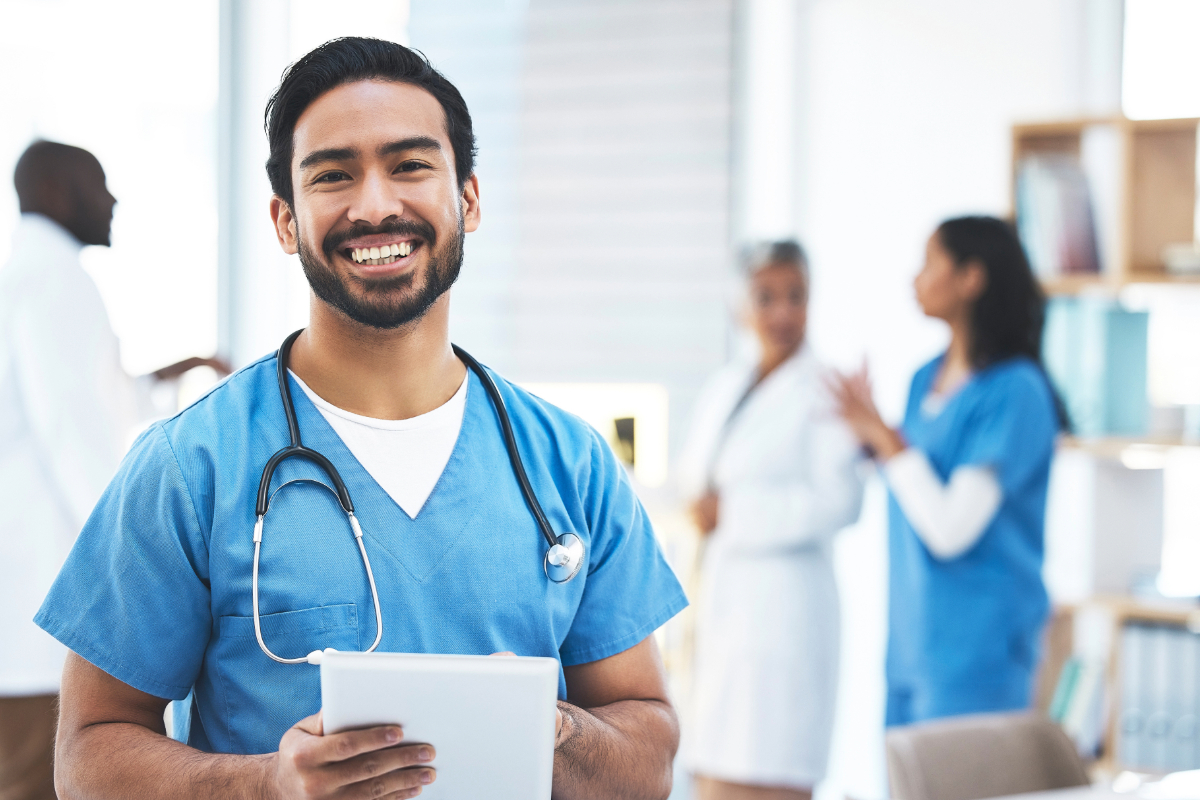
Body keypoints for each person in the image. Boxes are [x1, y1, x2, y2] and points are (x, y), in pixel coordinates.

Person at [35, 38, 688, 800]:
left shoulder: (571, 465)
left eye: (409, 165)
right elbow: (86, 757)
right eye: (333, 175)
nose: (375, 206)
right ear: (285, 221)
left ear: (469, 200)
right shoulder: (190, 466)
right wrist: (267, 785)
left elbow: (649, 760)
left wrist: (552, 730)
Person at [0, 140, 228, 800]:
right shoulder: (56, 281)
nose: (112, 199)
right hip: (44, 602)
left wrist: (180, 369)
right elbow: (74, 435)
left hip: (24, 598)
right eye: (98, 183)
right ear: (55, 191)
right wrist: (132, 559)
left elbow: (96, 400)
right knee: (33, 779)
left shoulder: (27, 274)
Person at [828, 216, 1061, 727]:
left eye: (930, 262)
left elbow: (950, 529)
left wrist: (887, 441)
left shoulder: (1016, 391)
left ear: (971, 278)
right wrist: (872, 443)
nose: (916, 278)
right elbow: (916, 482)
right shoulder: (922, 380)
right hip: (911, 647)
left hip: (978, 655)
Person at [679, 241, 864, 800]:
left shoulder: (826, 390)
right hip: (727, 605)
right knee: (712, 769)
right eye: (766, 298)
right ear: (740, 306)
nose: (783, 312)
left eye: (796, 296)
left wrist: (733, 513)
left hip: (785, 615)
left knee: (768, 773)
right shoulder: (727, 386)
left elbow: (841, 499)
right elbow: (697, 479)